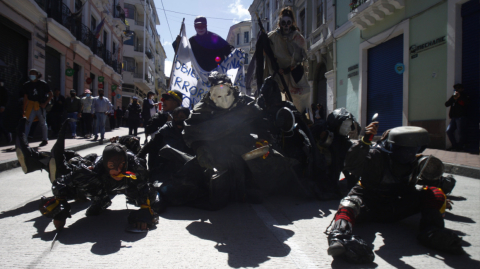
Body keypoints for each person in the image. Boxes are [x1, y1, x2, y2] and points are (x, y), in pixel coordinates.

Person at [325, 124, 464, 264]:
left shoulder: (417, 161)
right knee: (349, 203)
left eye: (412, 149)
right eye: (405, 149)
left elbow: (437, 182)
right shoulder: (375, 156)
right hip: (370, 204)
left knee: (434, 193)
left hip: (398, 203)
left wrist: (439, 197)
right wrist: (365, 141)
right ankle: (339, 237)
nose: (409, 154)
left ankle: (431, 231)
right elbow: (352, 164)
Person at [15, 117, 163, 232]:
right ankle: (37, 159)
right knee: (73, 168)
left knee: (150, 197)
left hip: (126, 185)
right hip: (100, 182)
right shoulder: (92, 170)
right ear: (105, 164)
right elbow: (61, 183)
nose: (117, 170)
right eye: (112, 166)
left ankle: (100, 199)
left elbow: (146, 189)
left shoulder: (135, 167)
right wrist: (59, 209)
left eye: (121, 165)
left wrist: (145, 211)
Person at [262, 7, 310, 113]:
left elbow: (303, 57)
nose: (286, 26)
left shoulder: (298, 38)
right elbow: (264, 50)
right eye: (283, 23)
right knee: (274, 97)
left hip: (294, 76)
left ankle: (303, 117)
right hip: (278, 76)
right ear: (280, 23)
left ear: (292, 23)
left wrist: (290, 68)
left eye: (288, 22)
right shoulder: (273, 37)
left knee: (304, 94)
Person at [137, 106, 192, 181]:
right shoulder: (166, 130)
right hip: (165, 170)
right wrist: (136, 159)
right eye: (176, 117)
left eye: (182, 117)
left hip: (185, 171)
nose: (178, 119)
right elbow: (149, 146)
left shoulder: (192, 132)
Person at [22, 69, 52, 147]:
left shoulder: (43, 84)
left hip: (40, 106)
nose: (32, 75)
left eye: (34, 74)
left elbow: (50, 94)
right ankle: (25, 140)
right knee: (28, 122)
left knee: (43, 123)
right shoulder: (26, 85)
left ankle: (45, 139)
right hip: (31, 106)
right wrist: (24, 109)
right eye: (30, 74)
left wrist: (45, 103)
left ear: (37, 75)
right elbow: (25, 97)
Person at [445, 83, 470, 151]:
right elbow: (446, 104)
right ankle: (454, 145)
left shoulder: (464, 96)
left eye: (458, 88)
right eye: (456, 89)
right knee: (449, 131)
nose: (457, 90)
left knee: (460, 132)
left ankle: (460, 146)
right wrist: (454, 98)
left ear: (462, 89)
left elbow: (467, 103)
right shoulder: (454, 96)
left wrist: (460, 97)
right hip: (454, 117)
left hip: (461, 117)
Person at [0, 79, 12, 144]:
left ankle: (7, 134)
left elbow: (6, 99)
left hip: (1, 108)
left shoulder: (3, 90)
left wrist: (3, 106)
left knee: (0, 124)